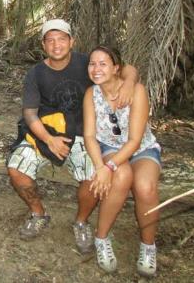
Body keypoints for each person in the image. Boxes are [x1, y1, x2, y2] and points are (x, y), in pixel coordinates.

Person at [7, 19, 139, 259]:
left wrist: (130, 83)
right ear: (43, 45)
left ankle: (81, 222)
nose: (56, 45)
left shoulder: (87, 64)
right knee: (16, 169)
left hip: (82, 135)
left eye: (61, 39)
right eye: (50, 40)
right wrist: (48, 139)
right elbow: (29, 113)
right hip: (44, 133)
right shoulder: (35, 74)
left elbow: (125, 68)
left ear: (71, 41)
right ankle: (38, 213)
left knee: (93, 176)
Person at [83, 45, 161, 277]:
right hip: (108, 146)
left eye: (103, 64)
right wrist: (101, 167)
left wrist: (109, 166)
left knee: (145, 187)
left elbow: (135, 140)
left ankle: (148, 246)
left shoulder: (136, 91)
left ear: (117, 68)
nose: (96, 69)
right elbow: (89, 135)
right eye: (92, 64)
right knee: (122, 176)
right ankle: (102, 237)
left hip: (140, 147)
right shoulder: (91, 93)